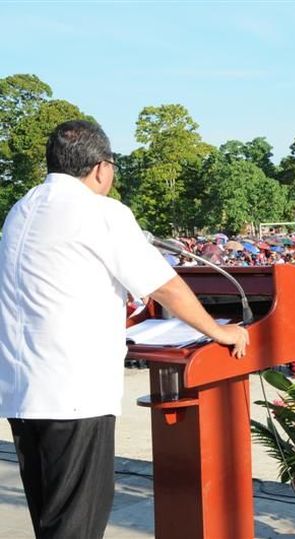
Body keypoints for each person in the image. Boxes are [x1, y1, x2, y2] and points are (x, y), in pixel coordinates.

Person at [0, 120, 249, 539]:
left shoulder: (22, 207)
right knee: (76, 527)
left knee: (52, 522)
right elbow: (164, 285)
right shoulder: (101, 211)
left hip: (24, 393)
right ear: (101, 169)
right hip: (74, 394)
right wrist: (220, 331)